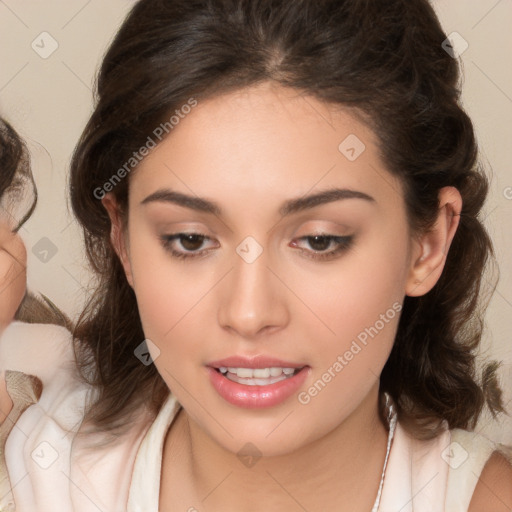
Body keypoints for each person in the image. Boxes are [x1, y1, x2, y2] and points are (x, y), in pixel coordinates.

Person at [1, 0, 512, 510]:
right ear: (122, 238)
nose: (249, 313)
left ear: (428, 244)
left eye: (319, 240)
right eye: (190, 239)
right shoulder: (33, 470)